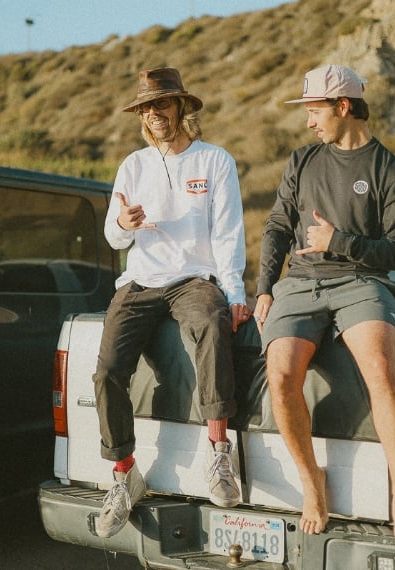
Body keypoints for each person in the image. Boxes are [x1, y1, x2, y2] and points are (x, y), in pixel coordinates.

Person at [253, 64, 395, 549]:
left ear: (343, 107)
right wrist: (265, 287)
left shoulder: (390, 171)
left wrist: (338, 241)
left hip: (361, 282)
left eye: (314, 110)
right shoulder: (302, 161)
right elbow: (276, 227)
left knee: (379, 368)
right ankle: (313, 484)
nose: (309, 121)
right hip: (301, 284)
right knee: (281, 374)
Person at [93, 67, 250, 539]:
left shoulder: (214, 161)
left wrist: (235, 292)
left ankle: (219, 452)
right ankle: (124, 473)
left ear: (181, 106)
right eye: (145, 107)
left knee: (209, 324)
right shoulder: (132, 166)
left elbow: (227, 234)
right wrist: (123, 221)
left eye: (161, 104)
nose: (154, 113)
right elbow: (114, 236)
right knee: (106, 371)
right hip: (140, 280)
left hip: (192, 279)